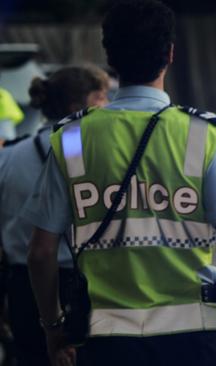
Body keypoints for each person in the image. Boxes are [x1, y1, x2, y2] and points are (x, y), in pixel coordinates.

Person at [24, 1, 216, 366]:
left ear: (110, 58)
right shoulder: (197, 135)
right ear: (170, 54)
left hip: (107, 339)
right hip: (193, 338)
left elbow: (40, 252)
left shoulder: (73, 139)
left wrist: (53, 327)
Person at [0, 65, 109, 366]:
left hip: (22, 292)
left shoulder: (8, 156)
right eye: (101, 98)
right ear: (78, 107)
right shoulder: (79, 151)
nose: (109, 106)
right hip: (79, 285)